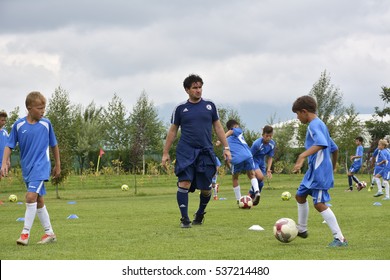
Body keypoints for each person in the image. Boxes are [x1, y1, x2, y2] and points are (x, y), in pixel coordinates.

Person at [161, 74, 231, 228]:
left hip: (205, 151)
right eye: (195, 88)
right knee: (184, 182)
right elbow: (172, 132)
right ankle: (185, 219)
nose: (198, 90)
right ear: (187, 90)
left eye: (200, 87)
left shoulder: (210, 105)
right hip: (186, 151)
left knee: (206, 189)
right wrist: (165, 153)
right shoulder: (180, 109)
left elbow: (218, 127)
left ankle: (200, 213)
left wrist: (226, 148)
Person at [1, 91, 61, 245]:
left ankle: (24, 234)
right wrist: (4, 162)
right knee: (38, 200)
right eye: (39, 108)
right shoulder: (19, 125)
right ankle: (49, 233)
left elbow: (54, 145)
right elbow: (9, 145)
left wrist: (57, 165)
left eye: (44, 108)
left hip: (41, 167)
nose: (43, 111)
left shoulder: (46, 124)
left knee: (30, 197)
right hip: (27, 168)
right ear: (29, 108)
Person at [292, 95, 347, 247]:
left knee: (319, 203)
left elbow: (323, 143)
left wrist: (302, 156)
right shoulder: (321, 124)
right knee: (300, 196)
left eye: (297, 114)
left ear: (304, 111)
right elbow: (334, 148)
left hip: (319, 171)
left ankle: (340, 238)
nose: (297, 118)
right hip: (314, 171)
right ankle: (302, 229)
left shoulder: (314, 125)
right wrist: (334, 165)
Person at [218, 119, 260, 206]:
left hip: (237, 159)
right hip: (248, 155)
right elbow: (231, 131)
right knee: (252, 174)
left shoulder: (227, 140)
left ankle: (239, 199)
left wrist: (221, 140)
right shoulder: (239, 132)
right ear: (235, 126)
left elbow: (226, 157)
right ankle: (257, 192)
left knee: (235, 178)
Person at [249, 125, 276, 197]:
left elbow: (270, 157)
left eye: (270, 136)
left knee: (261, 183)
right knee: (260, 177)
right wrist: (250, 168)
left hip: (261, 162)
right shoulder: (256, 144)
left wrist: (268, 169)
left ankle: (253, 200)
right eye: (267, 136)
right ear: (263, 135)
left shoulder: (272, 144)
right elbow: (250, 156)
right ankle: (249, 194)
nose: (268, 138)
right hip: (254, 161)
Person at [0, 111, 10, 177]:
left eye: (5, 120)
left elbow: (8, 146)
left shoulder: (5, 132)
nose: (4, 122)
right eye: (2, 120)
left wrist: (8, 159)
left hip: (2, 161)